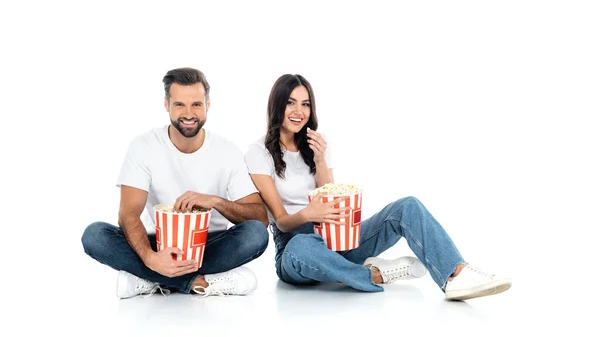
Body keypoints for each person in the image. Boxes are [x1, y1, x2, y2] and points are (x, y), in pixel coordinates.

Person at [244, 74, 512, 300]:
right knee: (303, 245)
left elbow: (331, 196)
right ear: (277, 105)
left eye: (305, 104)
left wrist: (320, 159)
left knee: (407, 207)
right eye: (290, 103)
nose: (299, 111)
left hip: (335, 237)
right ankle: (376, 274)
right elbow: (280, 221)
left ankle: (456, 274)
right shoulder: (259, 152)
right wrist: (307, 215)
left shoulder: (317, 143)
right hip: (294, 247)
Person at [82, 67, 270, 299]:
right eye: (180, 104)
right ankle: (197, 282)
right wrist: (151, 258)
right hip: (159, 245)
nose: (189, 113)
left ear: (207, 106)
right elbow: (128, 215)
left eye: (196, 105)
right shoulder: (144, 146)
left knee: (256, 235)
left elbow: (260, 219)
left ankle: (151, 279)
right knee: (94, 235)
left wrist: (215, 201)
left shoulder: (227, 151)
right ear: (167, 105)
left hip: (209, 244)